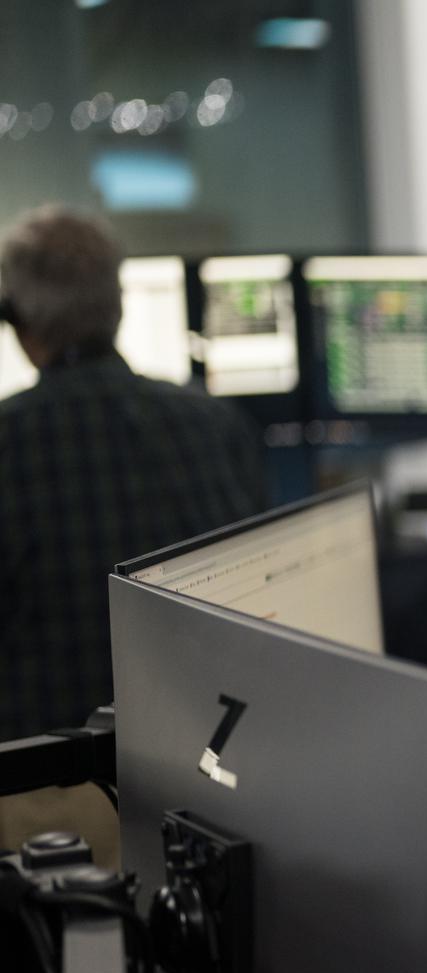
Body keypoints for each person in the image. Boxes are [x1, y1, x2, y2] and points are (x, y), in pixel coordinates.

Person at [0, 205, 263, 746]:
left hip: (48, 778)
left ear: (18, 322)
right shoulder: (216, 424)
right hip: (205, 758)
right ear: (118, 306)